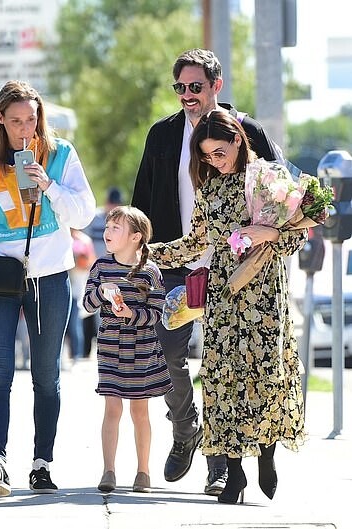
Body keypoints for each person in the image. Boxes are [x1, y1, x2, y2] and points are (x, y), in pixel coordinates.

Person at [131, 48, 281, 496]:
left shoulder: (247, 130)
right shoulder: (162, 135)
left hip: (233, 274)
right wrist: (138, 253)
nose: (187, 95)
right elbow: (142, 198)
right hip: (179, 266)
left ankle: (221, 467)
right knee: (166, 352)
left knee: (220, 368)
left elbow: (280, 194)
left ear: (217, 85)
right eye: (179, 87)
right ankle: (185, 429)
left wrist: (267, 240)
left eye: (195, 86)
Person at [0, 80, 96, 496]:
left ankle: (42, 463)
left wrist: (49, 185)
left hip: (49, 277)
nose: (25, 128)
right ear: (0, 120)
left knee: (46, 375)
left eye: (31, 119)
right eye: (16, 121)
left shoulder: (60, 155)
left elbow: (83, 213)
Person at [149, 110, 306, 504]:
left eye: (219, 153)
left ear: (238, 140)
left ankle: (266, 456)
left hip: (264, 291)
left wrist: (269, 232)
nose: (214, 161)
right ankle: (233, 472)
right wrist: (147, 253)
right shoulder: (210, 190)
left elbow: (297, 235)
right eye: (207, 156)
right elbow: (194, 244)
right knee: (222, 379)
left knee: (265, 374)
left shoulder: (269, 179)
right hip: (223, 292)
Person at [83, 206, 171, 494]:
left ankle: (143, 471)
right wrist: (101, 292)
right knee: (112, 407)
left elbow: (157, 312)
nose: (107, 232)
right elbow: (87, 305)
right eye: (108, 227)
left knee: (139, 410)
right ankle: (108, 470)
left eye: (115, 228)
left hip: (141, 346)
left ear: (136, 237)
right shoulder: (100, 267)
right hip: (110, 344)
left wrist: (131, 314)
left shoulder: (150, 272)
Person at [83, 187, 124, 357]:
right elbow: (84, 239)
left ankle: (109, 344)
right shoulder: (95, 218)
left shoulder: (122, 221)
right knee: (88, 309)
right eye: (112, 203)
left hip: (113, 270)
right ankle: (86, 348)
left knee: (110, 307)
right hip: (91, 268)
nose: (113, 207)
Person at [66, 228, 96, 363]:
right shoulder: (63, 236)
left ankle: (76, 356)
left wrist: (78, 261)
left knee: (74, 324)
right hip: (64, 283)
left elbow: (90, 262)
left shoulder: (84, 240)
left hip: (77, 287)